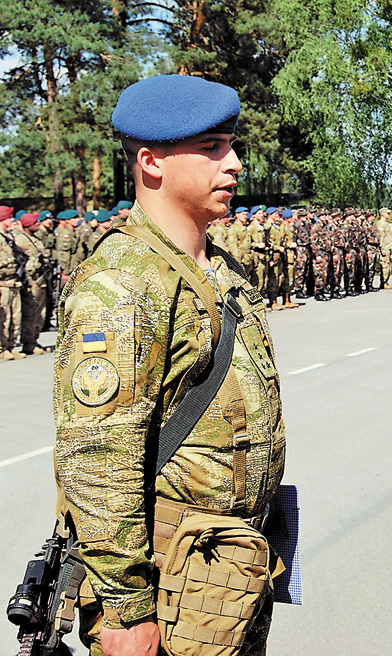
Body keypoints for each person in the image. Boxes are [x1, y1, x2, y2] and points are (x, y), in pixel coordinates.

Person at [54, 74, 285, 656]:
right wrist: (128, 613)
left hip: (221, 582)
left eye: (231, 144)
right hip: (163, 593)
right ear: (152, 163)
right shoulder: (124, 285)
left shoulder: (219, 267)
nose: (233, 163)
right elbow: (99, 459)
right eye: (211, 148)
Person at [12, 212, 51, 354]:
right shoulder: (21, 239)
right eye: (35, 223)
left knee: (41, 311)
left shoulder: (33, 238)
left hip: (40, 279)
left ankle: (34, 340)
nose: (38, 225)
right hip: (31, 279)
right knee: (31, 311)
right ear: (28, 224)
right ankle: (28, 342)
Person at [0, 205, 25, 360]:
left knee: (16, 317)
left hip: (14, 282)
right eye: (9, 218)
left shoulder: (8, 237)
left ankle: (10, 345)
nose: (12, 220)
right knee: (4, 318)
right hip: (3, 283)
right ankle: (2, 349)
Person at [377, 207, 392, 289]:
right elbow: (381, 237)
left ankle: (386, 282)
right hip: (385, 248)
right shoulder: (381, 224)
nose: (389, 214)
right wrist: (382, 249)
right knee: (385, 266)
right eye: (387, 213)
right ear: (382, 214)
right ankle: (383, 282)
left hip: (388, 247)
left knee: (388, 265)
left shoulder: (385, 223)